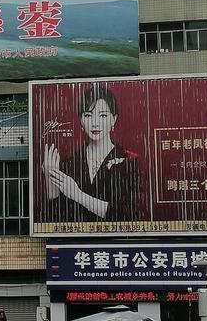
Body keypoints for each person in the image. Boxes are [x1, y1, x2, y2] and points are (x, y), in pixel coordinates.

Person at [41, 86, 145, 223]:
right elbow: (56, 218)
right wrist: (50, 181)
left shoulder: (130, 161)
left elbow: (130, 214)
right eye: (88, 115)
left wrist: (78, 195)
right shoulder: (69, 163)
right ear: (81, 120)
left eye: (103, 115)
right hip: (77, 236)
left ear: (114, 119)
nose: (95, 123)